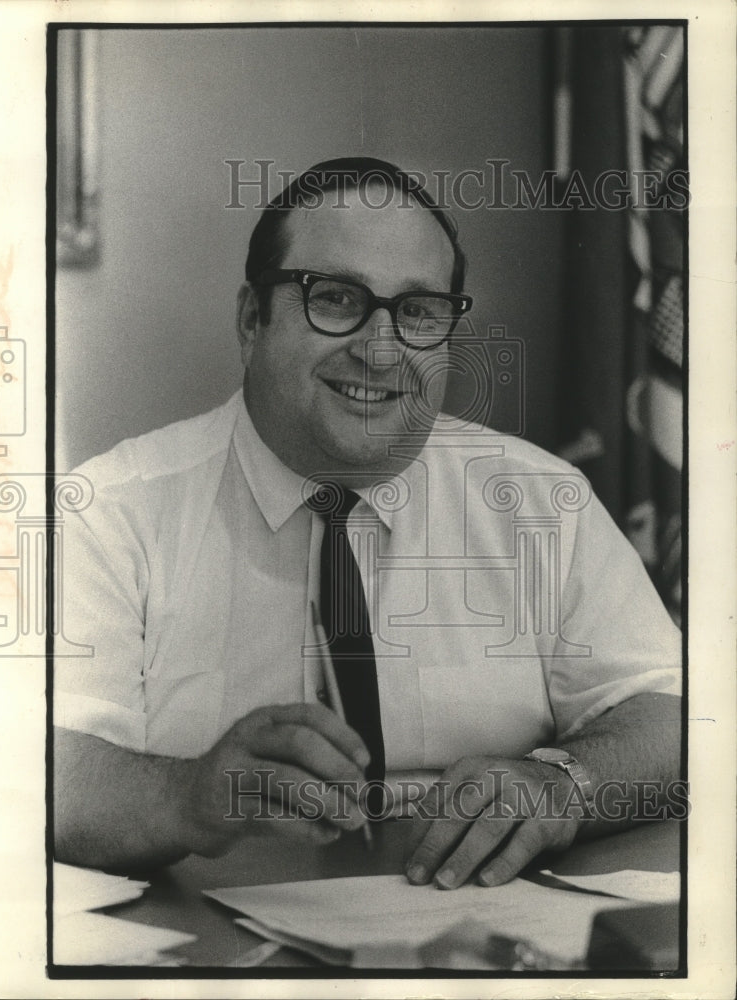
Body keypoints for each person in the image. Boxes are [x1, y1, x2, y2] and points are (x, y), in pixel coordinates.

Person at [55, 158, 682, 890]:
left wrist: (562, 785)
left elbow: (675, 719)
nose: (380, 349)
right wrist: (187, 794)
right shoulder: (108, 512)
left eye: (417, 311)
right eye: (336, 298)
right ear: (251, 318)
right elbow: (38, 775)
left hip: (486, 940)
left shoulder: (540, 502)